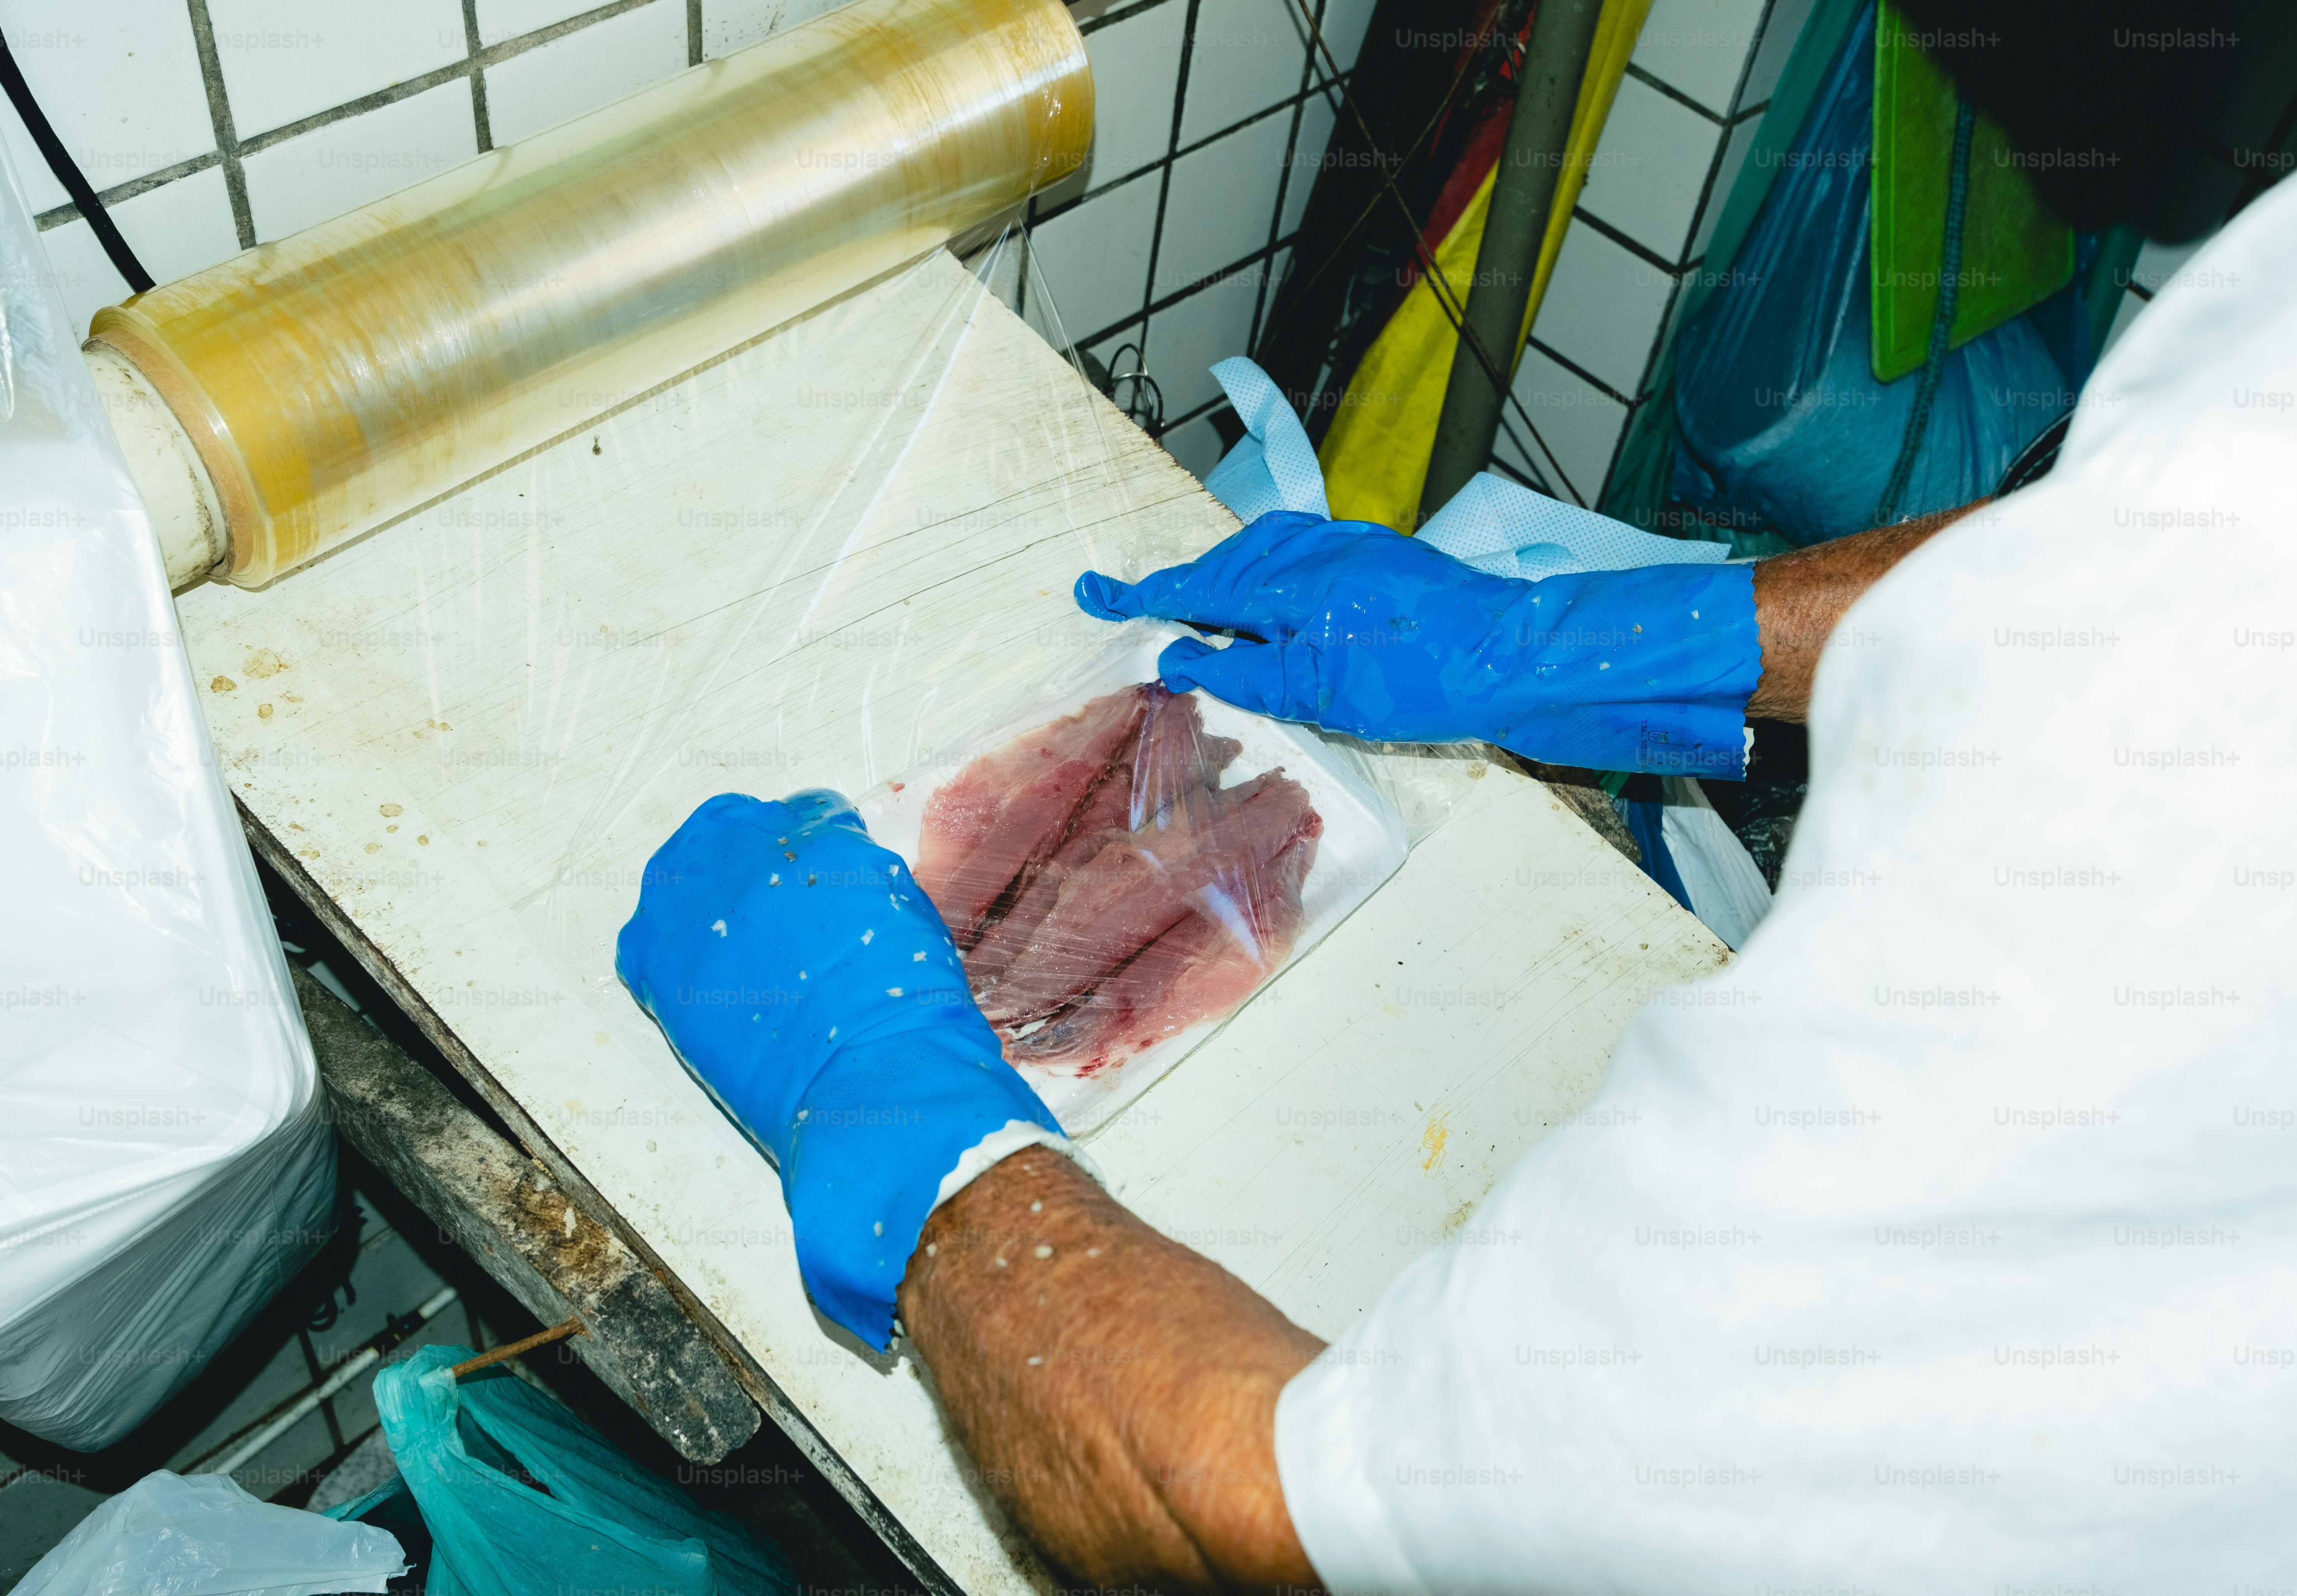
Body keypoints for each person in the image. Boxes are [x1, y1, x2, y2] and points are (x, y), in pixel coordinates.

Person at [616, 7, 2297, 1588]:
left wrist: (916, 1138)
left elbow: (1270, 1518)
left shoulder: (2078, 960)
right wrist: (1589, 641)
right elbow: (2162, 561)